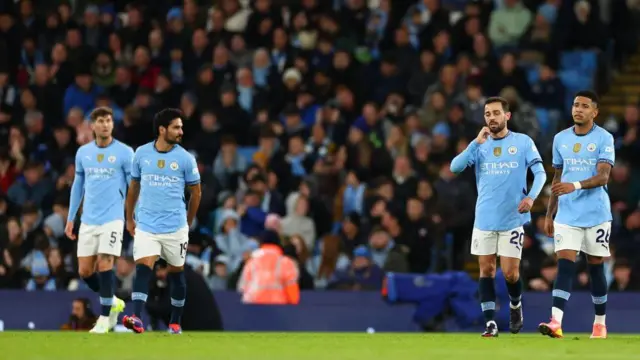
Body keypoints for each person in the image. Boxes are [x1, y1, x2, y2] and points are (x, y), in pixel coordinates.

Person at [450, 97, 547, 337]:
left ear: (507, 116)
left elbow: (541, 173)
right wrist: (474, 143)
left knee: (511, 273)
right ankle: (490, 322)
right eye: (487, 114)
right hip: (484, 218)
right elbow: (455, 167)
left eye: (496, 113)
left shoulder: (523, 142)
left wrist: (532, 197)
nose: (491, 118)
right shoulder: (479, 146)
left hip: (512, 219)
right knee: (486, 270)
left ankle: (515, 305)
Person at [539, 90, 614, 339]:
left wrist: (576, 185)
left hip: (596, 213)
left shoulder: (604, 138)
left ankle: (600, 323)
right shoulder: (560, 139)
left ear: (595, 112)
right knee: (565, 266)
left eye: (584, 106)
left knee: (595, 267)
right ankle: (555, 322)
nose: (578, 109)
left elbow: (604, 176)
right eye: (575, 105)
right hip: (567, 215)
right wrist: (550, 213)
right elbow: (557, 178)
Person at [122, 108, 202, 334]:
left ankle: (175, 322)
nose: (181, 131)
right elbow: (134, 187)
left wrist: (187, 221)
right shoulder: (141, 154)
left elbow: (196, 193)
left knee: (176, 274)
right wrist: (129, 218)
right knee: (143, 269)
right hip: (147, 225)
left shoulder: (185, 158)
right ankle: (136, 317)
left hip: (175, 227)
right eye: (176, 127)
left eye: (181, 127)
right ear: (162, 129)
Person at [65, 107, 133, 333]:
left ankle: (104, 318)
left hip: (112, 219)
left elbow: (134, 187)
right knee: (85, 271)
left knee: (105, 263)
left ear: (112, 125)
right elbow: (78, 186)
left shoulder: (124, 153)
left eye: (109, 121)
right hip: (88, 220)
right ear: (92, 126)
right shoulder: (83, 153)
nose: (105, 125)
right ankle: (112, 301)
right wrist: (71, 217)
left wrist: (134, 215)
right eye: (100, 121)